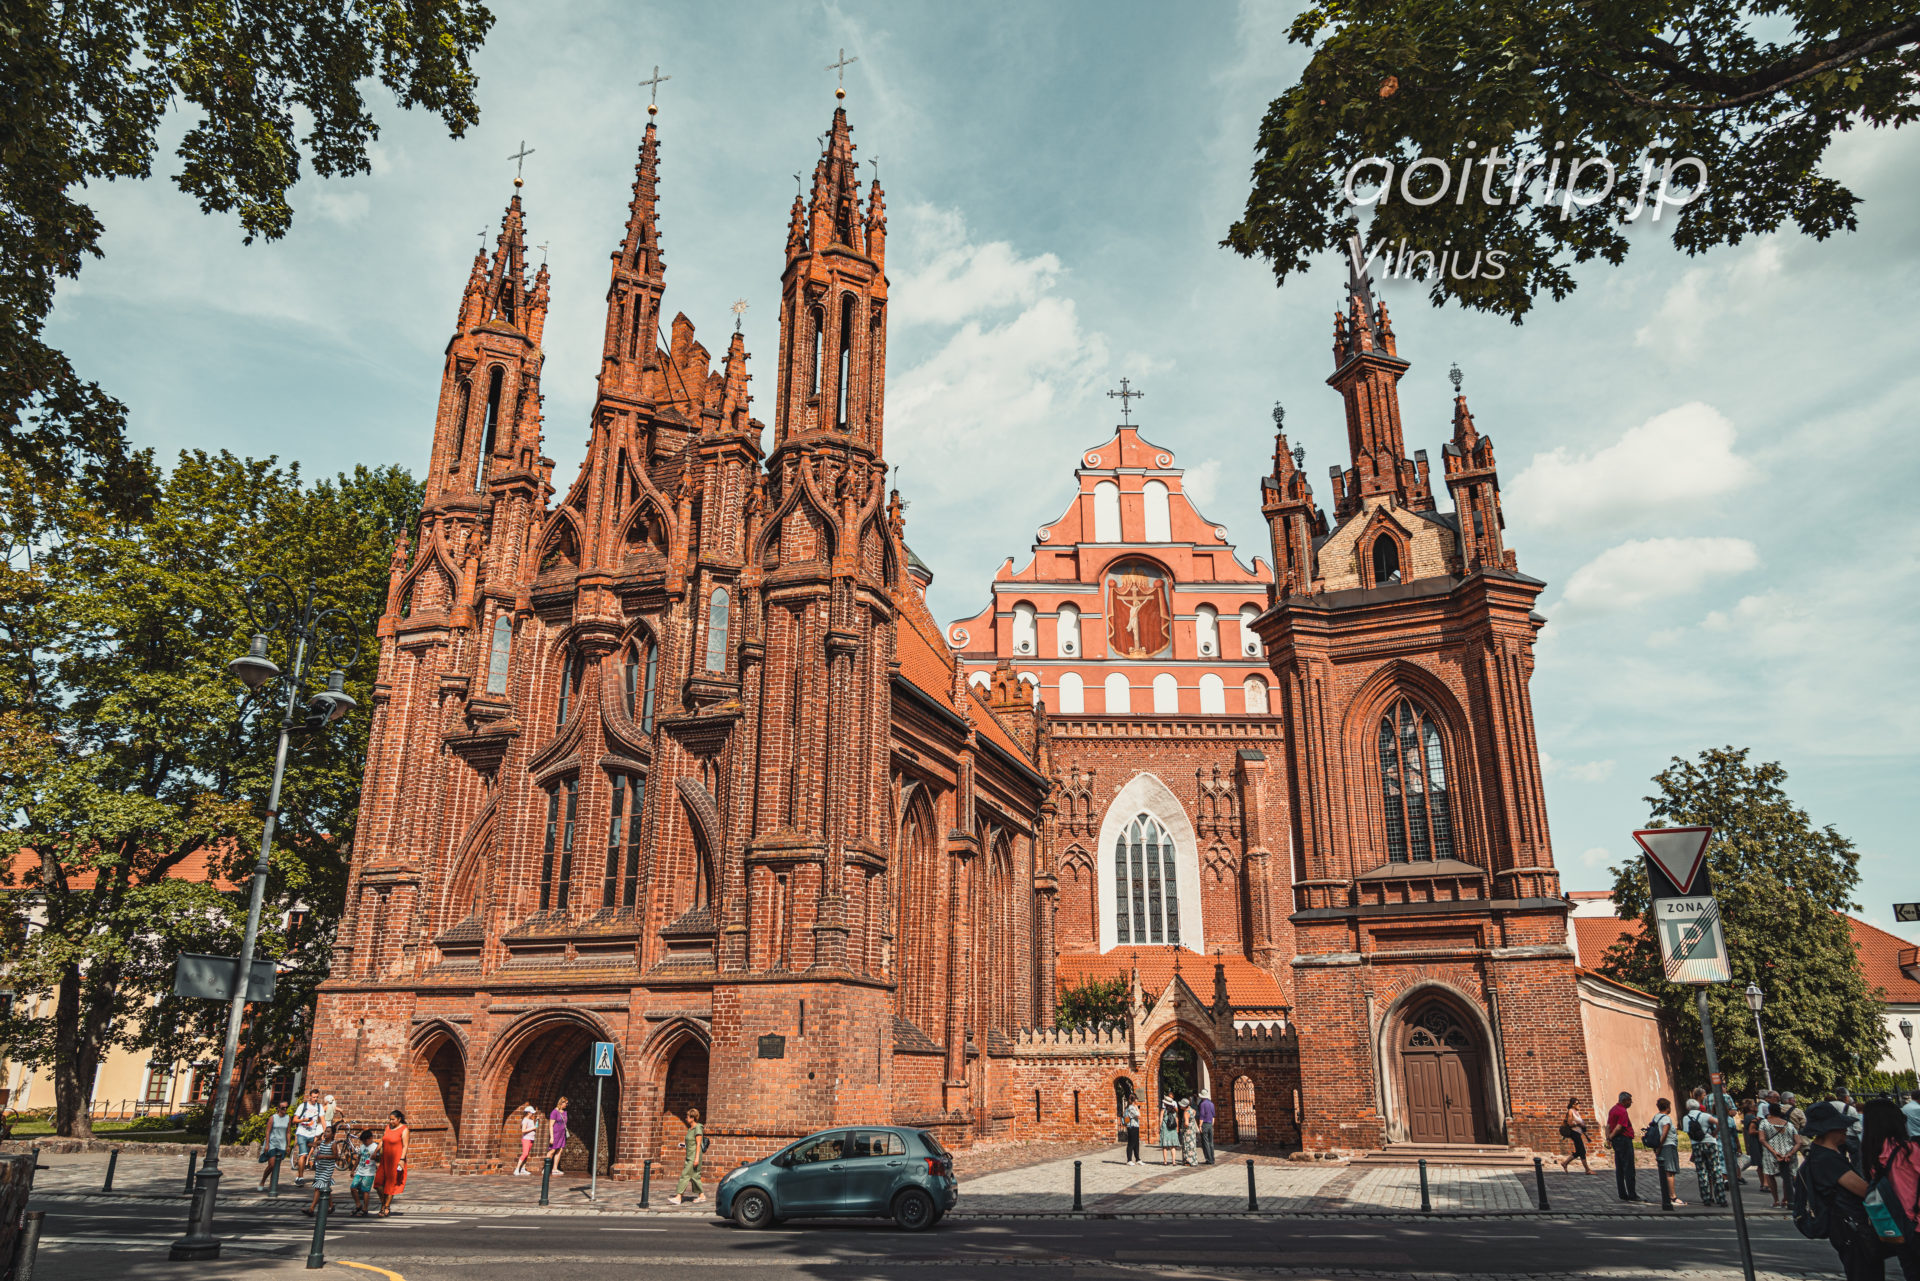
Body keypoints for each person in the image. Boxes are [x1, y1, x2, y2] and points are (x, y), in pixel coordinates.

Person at [1799, 1100, 1883, 1281]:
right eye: (1841, 1127)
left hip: (1846, 1227)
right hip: (1851, 1228)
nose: (1845, 1130)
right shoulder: (1827, 1159)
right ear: (1831, 1129)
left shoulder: (1822, 1154)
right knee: (1865, 1273)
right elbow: (1864, 1190)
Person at [1862, 1097, 1920, 1281]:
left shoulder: (1873, 1155)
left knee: (1911, 1271)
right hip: (1917, 1223)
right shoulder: (1909, 1149)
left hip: (1898, 1227)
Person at [1684, 1099, 1728, 1207]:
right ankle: (1721, 1198)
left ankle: (1706, 1197)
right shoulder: (1705, 1116)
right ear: (1698, 1106)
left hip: (1696, 1145)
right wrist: (1714, 1133)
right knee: (1716, 1170)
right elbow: (1720, 1123)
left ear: (1688, 1108)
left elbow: (1687, 1132)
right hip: (1710, 1143)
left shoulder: (1685, 1118)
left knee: (1702, 1171)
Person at [1760, 1101, 1801, 1209]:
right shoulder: (1789, 1124)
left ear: (1769, 1111)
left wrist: (1774, 1152)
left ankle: (1776, 1200)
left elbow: (1762, 1139)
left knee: (1770, 1175)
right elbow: (1798, 1142)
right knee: (1788, 1176)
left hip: (1771, 1154)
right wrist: (1790, 1153)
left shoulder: (1764, 1123)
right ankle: (1786, 1200)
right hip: (1789, 1153)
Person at [1606, 1091, 1640, 1202]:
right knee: (1628, 1168)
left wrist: (1608, 1139)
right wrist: (1610, 1137)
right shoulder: (1622, 1111)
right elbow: (1619, 1127)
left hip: (1616, 1141)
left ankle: (1622, 1193)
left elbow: (1608, 1125)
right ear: (1624, 1101)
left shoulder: (1613, 1109)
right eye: (1630, 1100)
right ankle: (1632, 1194)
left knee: (1620, 1168)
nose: (1631, 1102)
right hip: (1624, 1140)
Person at [376, 1109, 409, 1217]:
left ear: (399, 1119)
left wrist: (402, 1160)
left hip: (396, 1160)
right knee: (378, 1183)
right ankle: (384, 1203)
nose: (390, 1121)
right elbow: (383, 1140)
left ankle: (386, 1206)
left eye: (393, 1119)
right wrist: (375, 1151)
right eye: (389, 1119)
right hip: (385, 1159)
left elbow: (405, 1146)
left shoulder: (404, 1129)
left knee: (390, 1184)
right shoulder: (387, 1127)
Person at [1652, 1097, 1685, 1208]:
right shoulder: (1666, 1119)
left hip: (1660, 1147)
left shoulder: (1655, 1117)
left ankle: (1667, 1196)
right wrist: (1660, 1146)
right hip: (1667, 1146)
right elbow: (1664, 1134)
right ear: (1667, 1107)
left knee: (1664, 1171)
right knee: (1669, 1172)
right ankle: (1672, 1196)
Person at [668, 1107, 705, 1204]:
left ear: (693, 1118)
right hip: (689, 1155)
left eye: (687, 1117)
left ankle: (678, 1196)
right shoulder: (690, 1129)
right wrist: (683, 1145)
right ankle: (701, 1195)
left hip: (694, 1156)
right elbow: (690, 1143)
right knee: (695, 1177)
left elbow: (698, 1144)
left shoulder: (698, 1128)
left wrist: (696, 1158)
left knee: (685, 1175)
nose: (686, 1118)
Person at [304, 1121, 342, 1216]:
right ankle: (331, 1205)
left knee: (318, 1188)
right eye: (325, 1131)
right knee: (325, 1187)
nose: (326, 1133)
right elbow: (313, 1144)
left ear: (332, 1134)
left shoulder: (333, 1144)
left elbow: (336, 1156)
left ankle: (311, 1208)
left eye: (328, 1132)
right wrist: (307, 1142)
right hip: (320, 1168)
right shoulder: (322, 1142)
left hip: (327, 1168)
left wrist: (323, 1156)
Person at [257, 1102, 292, 1190]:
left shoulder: (288, 1118)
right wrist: (267, 1144)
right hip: (272, 1143)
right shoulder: (273, 1118)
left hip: (282, 1144)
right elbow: (268, 1131)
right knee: (272, 1164)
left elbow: (288, 1132)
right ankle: (263, 1180)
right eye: (283, 1108)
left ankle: (272, 1183)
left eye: (286, 1107)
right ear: (278, 1108)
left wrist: (288, 1145)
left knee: (276, 1165)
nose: (285, 1109)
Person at [293, 1088, 325, 1181]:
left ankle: (300, 1174)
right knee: (302, 1155)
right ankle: (300, 1177)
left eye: (317, 1097)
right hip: (302, 1133)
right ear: (310, 1097)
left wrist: (325, 1132)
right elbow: (294, 1120)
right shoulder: (303, 1106)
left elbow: (322, 1120)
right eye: (314, 1097)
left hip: (312, 1134)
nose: (315, 1099)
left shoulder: (319, 1107)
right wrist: (303, 1120)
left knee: (307, 1155)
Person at [349, 1128, 379, 1216]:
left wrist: (376, 1157)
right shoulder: (362, 1147)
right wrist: (353, 1169)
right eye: (363, 1141)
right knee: (353, 1188)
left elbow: (379, 1158)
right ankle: (358, 1204)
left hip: (369, 1172)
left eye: (366, 1141)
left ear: (370, 1138)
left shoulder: (374, 1147)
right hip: (360, 1171)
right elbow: (358, 1158)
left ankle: (365, 1208)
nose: (365, 1143)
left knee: (365, 1191)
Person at [1560, 1097, 1592, 1174]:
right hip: (1574, 1133)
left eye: (1579, 1103)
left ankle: (1565, 1163)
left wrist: (1586, 1134)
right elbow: (1570, 1123)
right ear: (1572, 1104)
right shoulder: (1571, 1111)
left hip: (1578, 1133)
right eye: (1577, 1103)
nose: (1578, 1105)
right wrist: (1579, 1123)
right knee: (1582, 1151)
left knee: (1578, 1152)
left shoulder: (1576, 1112)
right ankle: (1587, 1170)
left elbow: (1580, 1125)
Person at [513, 1103, 539, 1175]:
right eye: (531, 1113)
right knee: (524, 1153)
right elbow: (523, 1130)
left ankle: (523, 1169)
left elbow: (535, 1127)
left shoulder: (530, 1120)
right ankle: (517, 1169)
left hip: (531, 1138)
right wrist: (532, 1128)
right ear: (528, 1112)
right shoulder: (525, 1120)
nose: (532, 1114)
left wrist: (536, 1121)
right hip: (526, 1139)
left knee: (527, 1154)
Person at [548, 1097, 569, 1174]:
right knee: (552, 1150)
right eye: (566, 1103)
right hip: (556, 1134)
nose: (566, 1105)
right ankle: (546, 1168)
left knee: (560, 1150)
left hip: (562, 1134)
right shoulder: (554, 1112)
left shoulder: (564, 1112)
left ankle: (555, 1168)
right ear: (561, 1102)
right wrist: (552, 1137)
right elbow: (551, 1125)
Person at [1122, 1095, 1142, 1165]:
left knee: (1136, 1143)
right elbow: (1139, 1115)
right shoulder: (1131, 1108)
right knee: (1131, 1143)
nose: (1137, 1101)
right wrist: (1137, 1108)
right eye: (1137, 1099)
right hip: (1131, 1127)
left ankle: (1137, 1159)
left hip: (1135, 1126)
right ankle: (1129, 1160)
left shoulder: (1132, 1107)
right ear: (1134, 1100)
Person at [1159, 1095, 1178, 1165]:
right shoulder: (1174, 1110)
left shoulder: (1163, 1110)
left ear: (1165, 1103)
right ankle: (1174, 1161)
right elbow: (1176, 1119)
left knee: (1165, 1146)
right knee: (1173, 1146)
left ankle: (1165, 1161)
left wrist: (1160, 1128)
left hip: (1165, 1128)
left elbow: (1160, 1120)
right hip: (1173, 1129)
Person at [1197, 1092, 1216, 1165]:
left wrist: (1200, 1126)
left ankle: (1209, 1159)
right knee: (1211, 1142)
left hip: (1204, 1124)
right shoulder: (1211, 1104)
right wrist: (1212, 1125)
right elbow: (1213, 1115)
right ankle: (1212, 1158)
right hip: (1210, 1123)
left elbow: (1202, 1115)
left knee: (1205, 1143)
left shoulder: (1202, 1104)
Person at [1179, 1099, 1199, 1166]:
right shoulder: (1192, 1110)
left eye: (1181, 1105)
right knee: (1192, 1146)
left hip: (1187, 1132)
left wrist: (1183, 1125)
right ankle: (1193, 1160)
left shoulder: (1186, 1112)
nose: (1180, 1106)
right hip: (1192, 1131)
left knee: (1187, 1146)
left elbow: (1186, 1123)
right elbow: (1193, 1116)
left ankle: (1188, 1161)